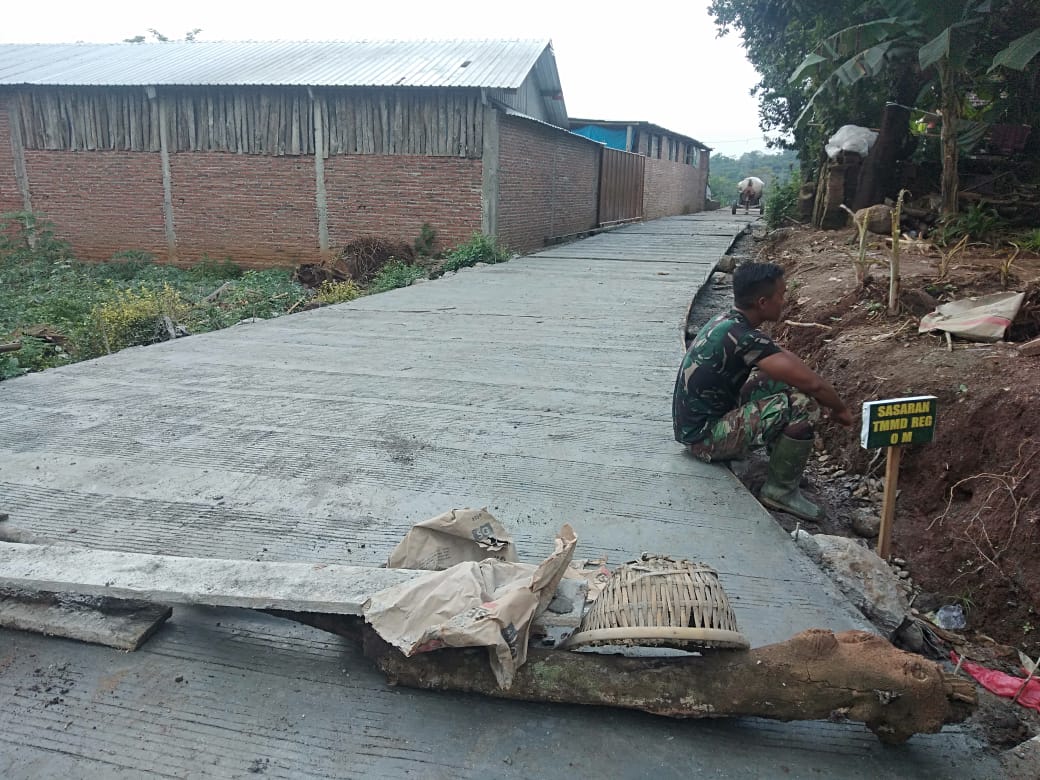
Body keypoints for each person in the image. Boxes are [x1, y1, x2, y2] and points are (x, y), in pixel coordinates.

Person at [672, 262, 854, 521]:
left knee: (775, 379)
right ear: (762, 303)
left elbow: (783, 358)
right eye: (781, 295)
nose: (784, 300)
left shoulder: (726, 321)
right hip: (704, 439)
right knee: (803, 403)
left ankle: (779, 464)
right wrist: (840, 409)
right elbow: (813, 386)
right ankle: (779, 491)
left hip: (694, 426)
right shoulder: (745, 338)